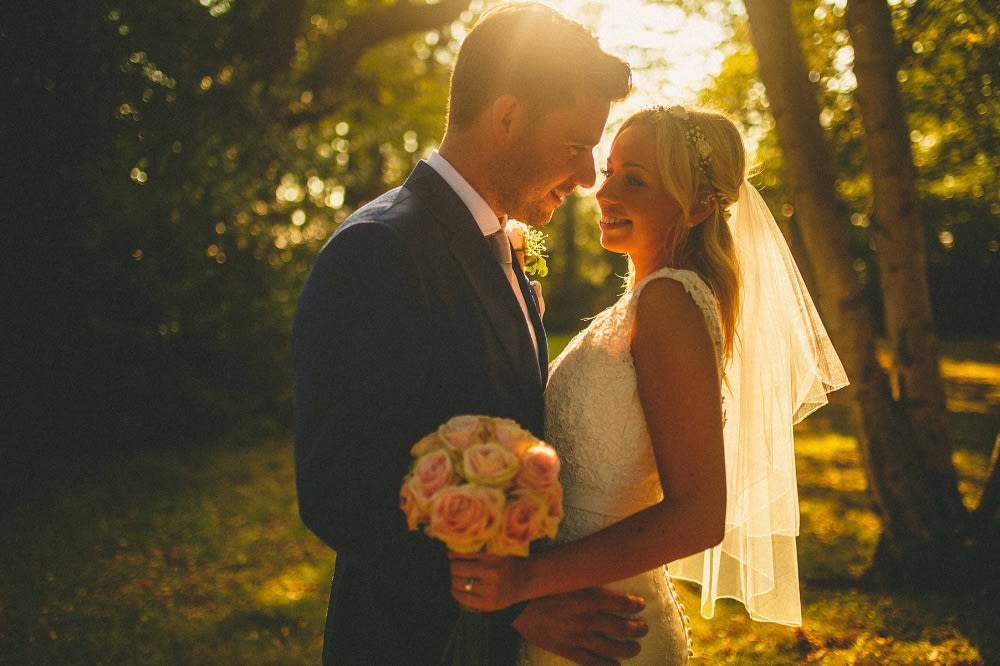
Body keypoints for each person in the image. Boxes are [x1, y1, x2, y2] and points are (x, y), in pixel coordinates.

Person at [293, 3, 645, 664]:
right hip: (411, 639)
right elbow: (338, 489)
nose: (589, 176)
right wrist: (515, 604)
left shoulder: (503, 246)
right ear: (507, 118)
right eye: (576, 147)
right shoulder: (381, 250)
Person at [448, 106, 849, 664]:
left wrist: (526, 580)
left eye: (634, 179)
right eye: (610, 171)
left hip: (607, 623)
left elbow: (699, 514)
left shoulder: (669, 304)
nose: (604, 191)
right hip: (572, 608)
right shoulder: (642, 302)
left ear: (700, 204)